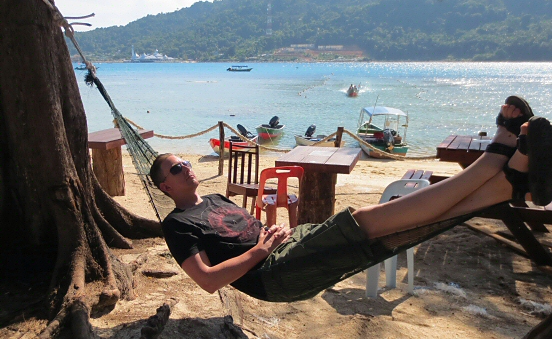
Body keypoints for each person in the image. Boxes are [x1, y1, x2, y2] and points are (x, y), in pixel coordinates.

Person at [149, 97, 552, 302]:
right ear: (166, 188)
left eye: (184, 160)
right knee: (362, 221)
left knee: (392, 229)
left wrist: (276, 231)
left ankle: (507, 186)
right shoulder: (178, 225)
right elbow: (206, 281)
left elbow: (248, 230)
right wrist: (263, 248)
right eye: (176, 168)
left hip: (289, 244)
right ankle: (492, 165)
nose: (186, 166)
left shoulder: (218, 197)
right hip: (272, 274)